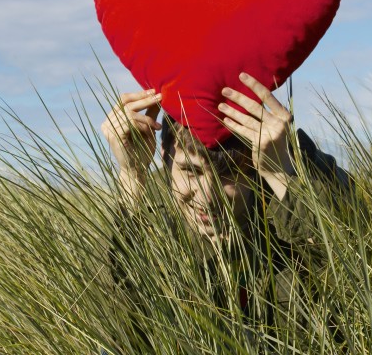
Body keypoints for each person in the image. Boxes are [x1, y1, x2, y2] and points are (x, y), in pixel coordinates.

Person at [101, 72, 354, 350]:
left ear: (256, 166)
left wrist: (282, 173)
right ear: (165, 157)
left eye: (230, 173)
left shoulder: (300, 181)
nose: (209, 198)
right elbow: (124, 333)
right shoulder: (151, 227)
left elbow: (351, 287)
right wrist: (131, 174)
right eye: (191, 170)